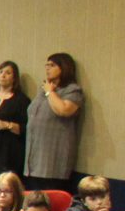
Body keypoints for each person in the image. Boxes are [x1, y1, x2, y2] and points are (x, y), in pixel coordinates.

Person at [23, 51, 84, 192]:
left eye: (52, 65)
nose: (47, 68)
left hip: (53, 158)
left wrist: (50, 92)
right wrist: (47, 90)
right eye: (46, 65)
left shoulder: (73, 90)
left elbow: (63, 110)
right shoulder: (43, 89)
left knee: (50, 195)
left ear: (64, 67)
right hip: (34, 155)